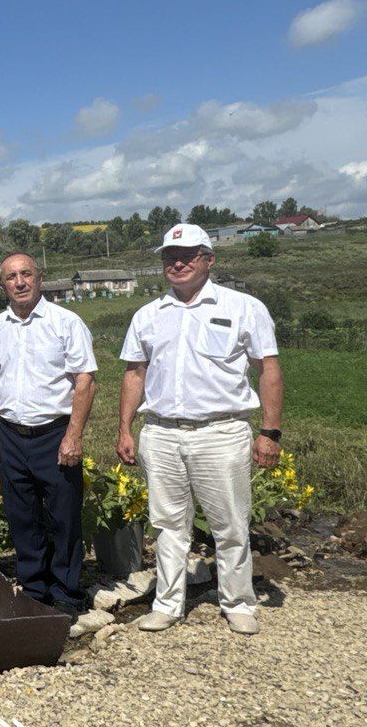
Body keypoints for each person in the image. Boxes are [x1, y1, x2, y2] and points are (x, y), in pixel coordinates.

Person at [118, 223, 283, 636]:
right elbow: (134, 374)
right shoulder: (148, 314)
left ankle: (238, 602)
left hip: (221, 432)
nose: (178, 263)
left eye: (189, 255)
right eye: (170, 257)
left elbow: (269, 371)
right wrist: (124, 428)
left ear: (210, 259)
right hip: (161, 432)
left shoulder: (245, 307)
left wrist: (270, 431)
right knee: (168, 524)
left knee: (229, 524)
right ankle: (167, 604)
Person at [0, 254, 97, 618]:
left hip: (54, 433)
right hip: (11, 435)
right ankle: (33, 590)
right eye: (11, 277)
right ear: (2, 285)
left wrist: (73, 436)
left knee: (64, 517)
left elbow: (85, 380)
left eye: (26, 274)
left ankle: (66, 593)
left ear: (40, 278)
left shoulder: (65, 322)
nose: (19, 282)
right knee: (22, 517)